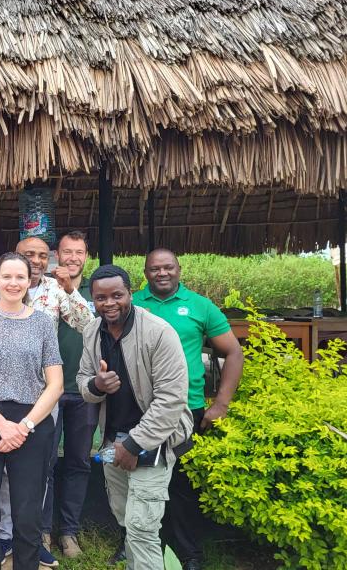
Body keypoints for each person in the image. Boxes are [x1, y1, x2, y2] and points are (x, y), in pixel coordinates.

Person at [0, 237, 92, 565]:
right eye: (29, 254)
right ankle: (5, 536)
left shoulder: (55, 289)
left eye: (43, 256)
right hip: (0, 395)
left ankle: (30, 538)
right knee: (3, 469)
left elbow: (88, 325)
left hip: (43, 396)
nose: (37, 260)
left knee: (39, 469)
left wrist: (71, 288)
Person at [134, 249, 244, 570]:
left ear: (179, 269)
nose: (162, 273)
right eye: (155, 269)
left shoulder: (199, 306)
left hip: (187, 410)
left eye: (168, 267)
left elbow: (233, 352)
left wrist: (221, 402)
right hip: (142, 411)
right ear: (146, 272)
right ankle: (137, 546)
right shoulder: (134, 304)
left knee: (181, 486)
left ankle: (188, 553)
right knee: (140, 482)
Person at [78, 264, 194, 570]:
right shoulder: (92, 331)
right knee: (127, 520)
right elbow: (83, 381)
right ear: (93, 299)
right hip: (113, 441)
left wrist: (133, 445)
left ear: (131, 293)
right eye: (101, 298)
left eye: (117, 295)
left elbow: (171, 400)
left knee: (142, 528)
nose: (109, 303)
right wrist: (96, 385)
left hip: (153, 440)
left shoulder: (158, 333)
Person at [0, 252, 64, 570]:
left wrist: (24, 426)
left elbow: (55, 384)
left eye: (21, 277)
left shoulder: (43, 322)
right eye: (7, 276)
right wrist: (1, 423)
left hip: (32, 420)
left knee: (27, 515)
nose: (14, 282)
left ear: (30, 280)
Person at [49, 230, 98, 559]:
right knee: (44, 462)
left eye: (79, 252)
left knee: (79, 462)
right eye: (67, 251)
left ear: (86, 256)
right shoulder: (41, 290)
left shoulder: (98, 292)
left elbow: (94, 328)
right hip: (47, 390)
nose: (72, 258)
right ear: (57, 254)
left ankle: (68, 532)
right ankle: (39, 530)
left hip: (83, 391)